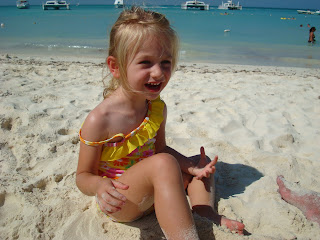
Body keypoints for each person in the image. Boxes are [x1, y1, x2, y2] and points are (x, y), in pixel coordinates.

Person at [76, 6, 245, 239]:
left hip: (156, 189)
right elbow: (83, 175)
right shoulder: (100, 119)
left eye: (165, 62)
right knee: (165, 164)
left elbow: (160, 149)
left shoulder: (156, 108)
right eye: (146, 62)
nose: (158, 73)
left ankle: (203, 211)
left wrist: (191, 167)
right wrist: (99, 186)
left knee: (197, 163)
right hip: (123, 201)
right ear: (115, 67)